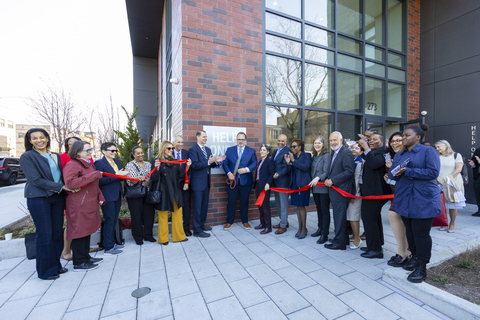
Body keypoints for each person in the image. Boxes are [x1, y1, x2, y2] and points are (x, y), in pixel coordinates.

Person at [388, 124, 441, 283]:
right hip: (404, 197)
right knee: (410, 231)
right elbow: (393, 174)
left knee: (421, 234)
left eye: (406, 136)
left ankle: (422, 267)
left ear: (418, 137)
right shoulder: (400, 154)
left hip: (423, 199)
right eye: (402, 136)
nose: (402, 139)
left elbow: (433, 172)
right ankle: (415, 258)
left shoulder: (428, 151)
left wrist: (408, 171)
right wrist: (392, 174)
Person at [19, 128, 73, 280]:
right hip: (38, 198)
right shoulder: (27, 156)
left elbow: (61, 176)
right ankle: (45, 271)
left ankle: (56, 266)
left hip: (57, 198)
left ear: (47, 138)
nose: (39, 140)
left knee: (57, 233)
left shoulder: (54, 155)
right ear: (30, 141)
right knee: (45, 235)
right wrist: (61, 187)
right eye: (34, 138)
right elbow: (35, 179)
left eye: (42, 137)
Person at [63, 141, 105, 271]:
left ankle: (86, 256)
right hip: (79, 204)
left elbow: (93, 183)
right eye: (87, 150)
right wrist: (93, 175)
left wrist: (100, 196)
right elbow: (70, 183)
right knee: (79, 232)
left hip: (89, 202)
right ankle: (79, 261)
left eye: (90, 149)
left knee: (86, 231)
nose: (90, 152)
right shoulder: (73, 165)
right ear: (78, 152)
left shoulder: (87, 164)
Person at [151, 140, 191, 245]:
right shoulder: (157, 161)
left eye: (172, 148)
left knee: (178, 214)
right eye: (169, 148)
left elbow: (181, 175)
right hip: (163, 192)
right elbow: (154, 178)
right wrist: (157, 168)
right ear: (163, 149)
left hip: (176, 191)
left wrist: (188, 167)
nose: (171, 150)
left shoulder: (174, 161)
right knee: (163, 215)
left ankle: (179, 236)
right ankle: (163, 239)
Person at [357, 134, 390, 259]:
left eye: (375, 139)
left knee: (368, 218)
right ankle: (375, 244)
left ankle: (375, 250)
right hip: (370, 192)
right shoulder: (374, 152)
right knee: (374, 219)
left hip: (376, 193)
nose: (371, 141)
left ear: (382, 141)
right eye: (369, 140)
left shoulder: (383, 152)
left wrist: (366, 148)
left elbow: (375, 164)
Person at [94, 142, 129, 255]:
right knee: (109, 220)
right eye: (112, 151)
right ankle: (108, 247)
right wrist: (116, 175)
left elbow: (118, 178)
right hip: (107, 196)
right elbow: (99, 181)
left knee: (114, 220)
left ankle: (113, 243)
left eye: (115, 150)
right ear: (104, 151)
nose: (114, 153)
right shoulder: (99, 163)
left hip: (117, 194)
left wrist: (123, 176)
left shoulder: (117, 161)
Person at [189, 130, 225, 237]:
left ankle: (202, 224)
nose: (205, 138)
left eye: (206, 137)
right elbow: (194, 165)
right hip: (197, 183)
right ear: (197, 137)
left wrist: (216, 161)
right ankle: (197, 230)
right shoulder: (193, 150)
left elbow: (210, 166)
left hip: (206, 182)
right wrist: (209, 162)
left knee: (204, 206)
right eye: (203, 137)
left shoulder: (208, 149)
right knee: (197, 207)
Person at [324, 131, 355, 250]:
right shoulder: (336, 152)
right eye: (331, 140)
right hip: (336, 190)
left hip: (341, 190)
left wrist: (333, 180)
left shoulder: (345, 152)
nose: (332, 142)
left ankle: (339, 244)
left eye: (335, 140)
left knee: (339, 217)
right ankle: (343, 239)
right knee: (339, 217)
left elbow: (349, 171)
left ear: (341, 140)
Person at [222, 132, 257, 230]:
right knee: (231, 202)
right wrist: (229, 173)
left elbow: (254, 163)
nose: (240, 141)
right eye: (239, 139)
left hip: (246, 182)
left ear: (245, 140)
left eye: (242, 139)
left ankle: (245, 221)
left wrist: (246, 169)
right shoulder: (230, 150)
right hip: (232, 182)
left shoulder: (251, 151)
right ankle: (229, 221)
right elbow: (225, 163)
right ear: (236, 140)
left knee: (244, 202)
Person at [385, 132, 410, 267]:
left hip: (409, 193)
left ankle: (408, 253)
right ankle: (402, 253)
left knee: (403, 220)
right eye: (392, 141)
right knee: (394, 216)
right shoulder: (395, 157)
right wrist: (388, 176)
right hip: (397, 192)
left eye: (398, 140)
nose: (395, 143)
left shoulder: (410, 155)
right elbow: (393, 178)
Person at [125, 146, 156, 245]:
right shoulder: (130, 165)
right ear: (133, 155)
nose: (140, 155)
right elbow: (129, 181)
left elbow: (153, 178)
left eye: (142, 152)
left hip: (147, 193)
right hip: (135, 195)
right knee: (136, 216)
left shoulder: (148, 164)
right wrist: (138, 179)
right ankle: (138, 237)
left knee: (149, 215)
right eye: (138, 153)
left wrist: (148, 182)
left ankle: (148, 235)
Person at [59, 136, 83, 262]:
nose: (72, 145)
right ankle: (66, 251)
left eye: (75, 143)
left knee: (83, 221)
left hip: (84, 194)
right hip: (71, 192)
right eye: (70, 143)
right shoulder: (63, 157)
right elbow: (62, 176)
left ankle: (83, 248)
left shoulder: (86, 157)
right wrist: (68, 188)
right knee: (72, 222)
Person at [435, 140, 466, 233]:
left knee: (452, 204)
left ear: (446, 146)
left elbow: (458, 169)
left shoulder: (456, 155)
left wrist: (448, 178)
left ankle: (452, 223)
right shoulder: (437, 156)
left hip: (452, 182)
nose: (437, 149)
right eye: (436, 147)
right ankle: (443, 222)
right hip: (439, 182)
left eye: (438, 147)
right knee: (441, 204)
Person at [285, 139, 312, 239]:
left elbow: (305, 167)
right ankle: (300, 227)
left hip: (303, 184)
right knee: (297, 206)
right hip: (295, 184)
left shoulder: (307, 156)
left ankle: (304, 228)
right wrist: (288, 163)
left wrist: (293, 161)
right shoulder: (293, 157)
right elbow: (290, 171)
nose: (292, 149)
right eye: (291, 147)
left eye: (294, 146)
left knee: (302, 206)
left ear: (300, 147)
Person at [309, 135, 331, 244]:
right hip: (315, 187)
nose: (317, 145)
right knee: (318, 208)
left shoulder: (326, 156)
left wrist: (318, 178)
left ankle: (325, 233)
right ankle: (320, 228)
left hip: (323, 186)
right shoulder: (314, 156)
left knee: (324, 209)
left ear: (323, 144)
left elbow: (326, 172)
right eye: (315, 143)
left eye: (319, 143)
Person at [172, 135, 192, 236]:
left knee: (186, 206)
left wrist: (186, 182)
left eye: (182, 142)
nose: (180, 144)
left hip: (184, 185)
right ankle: (177, 229)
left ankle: (186, 228)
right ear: (173, 143)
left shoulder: (186, 153)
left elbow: (189, 170)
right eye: (178, 142)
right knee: (175, 207)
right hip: (173, 185)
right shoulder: (170, 153)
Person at [272, 134, 291, 234]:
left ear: (286, 142)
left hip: (283, 182)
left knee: (283, 204)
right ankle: (283, 221)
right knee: (278, 203)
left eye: (282, 141)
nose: (280, 142)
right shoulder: (276, 151)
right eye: (279, 140)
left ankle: (283, 226)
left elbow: (286, 168)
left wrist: (278, 174)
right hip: (275, 182)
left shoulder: (287, 151)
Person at [253, 144, 275, 234]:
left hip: (265, 186)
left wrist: (268, 183)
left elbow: (271, 174)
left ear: (268, 152)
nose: (262, 151)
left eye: (264, 150)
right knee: (260, 205)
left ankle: (268, 227)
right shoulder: (260, 161)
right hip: (258, 185)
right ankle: (262, 223)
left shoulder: (269, 161)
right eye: (261, 149)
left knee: (265, 206)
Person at [346, 143, 363, 249]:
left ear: (361, 152)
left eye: (357, 148)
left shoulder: (360, 163)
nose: (354, 149)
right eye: (352, 148)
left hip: (355, 193)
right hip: (350, 192)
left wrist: (353, 195)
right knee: (350, 216)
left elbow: (357, 181)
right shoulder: (352, 161)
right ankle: (354, 235)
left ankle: (357, 239)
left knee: (353, 217)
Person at [468, 147, 480, 216]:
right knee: (477, 190)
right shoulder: (478, 150)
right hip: (478, 176)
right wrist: (473, 162)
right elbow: (474, 159)